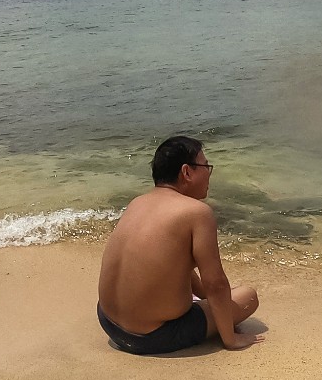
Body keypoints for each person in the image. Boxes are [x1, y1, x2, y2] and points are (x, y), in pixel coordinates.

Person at [97, 135, 262, 355]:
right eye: (206, 166)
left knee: (188, 274)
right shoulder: (197, 212)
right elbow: (216, 284)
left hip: (108, 322)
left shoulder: (137, 203)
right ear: (187, 172)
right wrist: (230, 339)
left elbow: (169, 264)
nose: (209, 174)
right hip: (153, 337)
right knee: (247, 296)